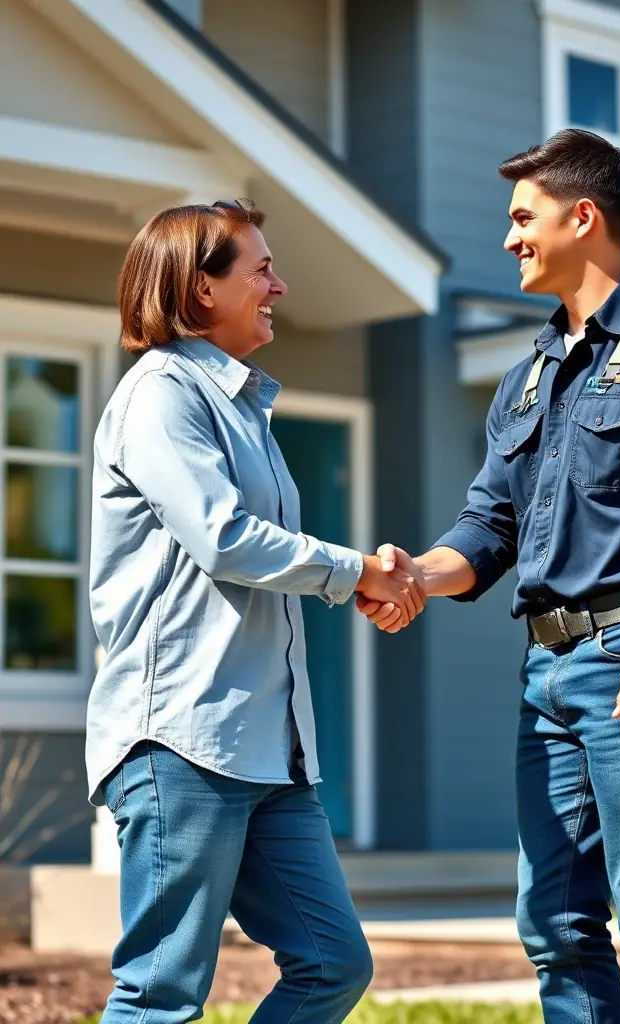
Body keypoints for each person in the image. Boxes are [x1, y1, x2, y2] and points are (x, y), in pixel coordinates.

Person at [358, 129, 620, 1023]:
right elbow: (489, 529)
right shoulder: (529, 376)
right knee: (553, 921)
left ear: (585, 217)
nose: (508, 239)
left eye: (522, 218)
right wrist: (414, 573)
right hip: (546, 672)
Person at [87, 199, 426, 1023]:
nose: (279, 284)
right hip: (183, 741)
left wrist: (365, 581)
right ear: (202, 291)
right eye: (261, 269)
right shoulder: (161, 393)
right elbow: (225, 538)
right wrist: (357, 574)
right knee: (159, 995)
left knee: (332, 965)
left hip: (272, 756)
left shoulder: (245, 409)